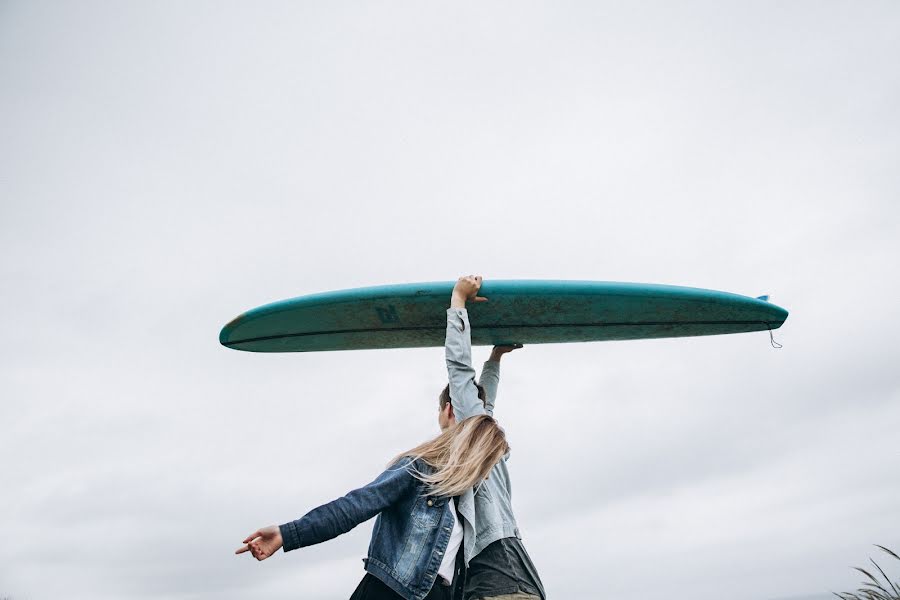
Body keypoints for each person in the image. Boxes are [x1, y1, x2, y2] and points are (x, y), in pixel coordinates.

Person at [235, 412, 509, 600]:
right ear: (476, 456)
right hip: (389, 592)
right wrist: (288, 534)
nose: (487, 474)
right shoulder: (418, 470)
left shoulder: (465, 503)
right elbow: (355, 506)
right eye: (488, 464)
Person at [443, 275, 546, 600]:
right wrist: (495, 358)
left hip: (501, 577)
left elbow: (459, 372)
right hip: (503, 575)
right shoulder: (484, 446)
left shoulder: (471, 435)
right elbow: (485, 403)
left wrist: (458, 301)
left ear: (449, 410)